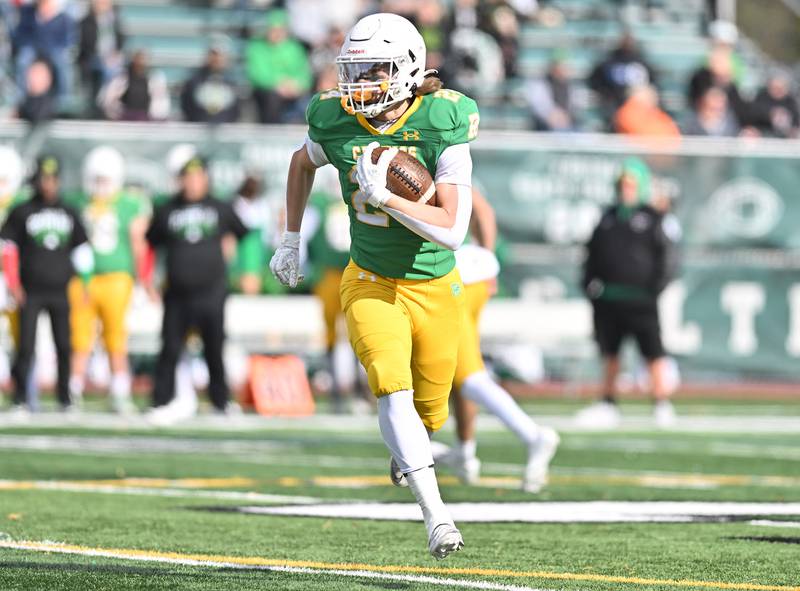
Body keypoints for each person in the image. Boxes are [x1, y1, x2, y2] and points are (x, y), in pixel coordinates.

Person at [269, 13, 478, 559]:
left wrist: (389, 199)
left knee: (430, 413)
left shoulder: (443, 118)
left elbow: (454, 229)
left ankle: (410, 448)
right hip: (368, 279)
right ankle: (437, 517)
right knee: (391, 387)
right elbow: (301, 161)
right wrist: (289, 236)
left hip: (434, 282)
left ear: (407, 69)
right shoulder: (333, 118)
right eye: (353, 68)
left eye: (373, 69)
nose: (359, 82)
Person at [434, 188, 560, 491]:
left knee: (467, 375)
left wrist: (486, 255)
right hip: (468, 273)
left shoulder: (427, 153)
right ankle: (464, 451)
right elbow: (482, 207)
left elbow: (480, 206)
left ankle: (533, 435)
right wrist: (487, 256)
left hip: (455, 275)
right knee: (457, 370)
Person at [576, 158, 679, 429]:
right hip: (610, 299)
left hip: (641, 299)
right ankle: (608, 402)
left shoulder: (654, 218)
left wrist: (655, 287)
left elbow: (667, 257)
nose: (627, 189)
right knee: (610, 353)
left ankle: (661, 402)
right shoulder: (607, 217)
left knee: (653, 352)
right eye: (623, 184)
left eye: (632, 184)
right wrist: (589, 283)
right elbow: (592, 254)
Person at [145, 156, 248, 418]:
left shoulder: (220, 207)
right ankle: (161, 400)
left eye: (197, 177)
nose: (192, 183)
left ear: (206, 179)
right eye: (187, 178)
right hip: (177, 293)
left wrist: (242, 270)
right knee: (169, 347)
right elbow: (150, 242)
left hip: (212, 291)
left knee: (214, 347)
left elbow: (243, 234)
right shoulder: (168, 209)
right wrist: (148, 279)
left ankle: (220, 401)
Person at [0, 155, 92, 414]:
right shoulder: (22, 211)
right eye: (44, 178)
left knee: (64, 344)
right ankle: (21, 397)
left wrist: (85, 284)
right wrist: (13, 283)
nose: (48, 183)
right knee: (25, 346)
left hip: (61, 289)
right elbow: (7, 248)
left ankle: (65, 397)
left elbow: (82, 249)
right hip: (30, 290)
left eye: (53, 178)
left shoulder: (70, 210)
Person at [65, 146, 150, 414]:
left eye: (106, 179)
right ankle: (72, 391)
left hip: (117, 278)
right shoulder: (78, 201)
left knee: (116, 338)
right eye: (97, 179)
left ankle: (120, 392)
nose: (101, 185)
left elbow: (138, 242)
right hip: (83, 280)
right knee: (80, 338)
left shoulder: (128, 203)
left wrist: (141, 280)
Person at [245, 9, 312, 124]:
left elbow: (305, 74)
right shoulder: (256, 47)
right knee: (272, 100)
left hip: (293, 91)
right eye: (273, 29)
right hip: (268, 93)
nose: (276, 33)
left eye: (279, 30)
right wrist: (278, 84)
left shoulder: (295, 48)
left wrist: (297, 85)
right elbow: (256, 74)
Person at [13, 0, 76, 105]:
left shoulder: (63, 18)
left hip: (54, 49)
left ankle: (64, 100)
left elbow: (67, 41)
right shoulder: (28, 13)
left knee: (62, 64)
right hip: (33, 47)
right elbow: (20, 35)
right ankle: (21, 98)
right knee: (23, 60)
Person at [588, 33, 656, 123]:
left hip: (636, 105)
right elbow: (595, 79)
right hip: (615, 102)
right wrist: (605, 92)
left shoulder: (640, 61)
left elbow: (651, 80)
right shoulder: (610, 61)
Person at [99, 50, 170, 122]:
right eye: (138, 60)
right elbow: (109, 100)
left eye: (142, 60)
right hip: (125, 117)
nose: (140, 63)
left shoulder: (152, 79)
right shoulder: (122, 78)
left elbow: (159, 102)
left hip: (144, 118)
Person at [78, 0, 126, 106]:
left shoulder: (114, 21)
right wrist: (104, 57)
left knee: (121, 68)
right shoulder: (86, 22)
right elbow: (86, 45)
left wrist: (116, 53)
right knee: (107, 69)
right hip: (94, 58)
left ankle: (110, 100)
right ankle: (104, 102)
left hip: (113, 57)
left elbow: (121, 40)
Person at [180, 44, 240, 124]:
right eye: (214, 55)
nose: (217, 59)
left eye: (220, 56)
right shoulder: (195, 80)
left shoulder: (231, 82)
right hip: (199, 128)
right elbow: (187, 105)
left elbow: (235, 110)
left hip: (225, 129)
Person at [526, 52, 578, 131]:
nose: (564, 70)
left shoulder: (571, 86)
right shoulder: (540, 84)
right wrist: (553, 115)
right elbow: (540, 107)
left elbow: (574, 107)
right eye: (560, 66)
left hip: (567, 123)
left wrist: (566, 117)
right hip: (546, 124)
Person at [17, 58, 57, 124]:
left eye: (38, 74)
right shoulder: (24, 102)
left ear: (49, 79)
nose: (34, 77)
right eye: (32, 73)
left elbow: (38, 118)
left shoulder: (51, 104)